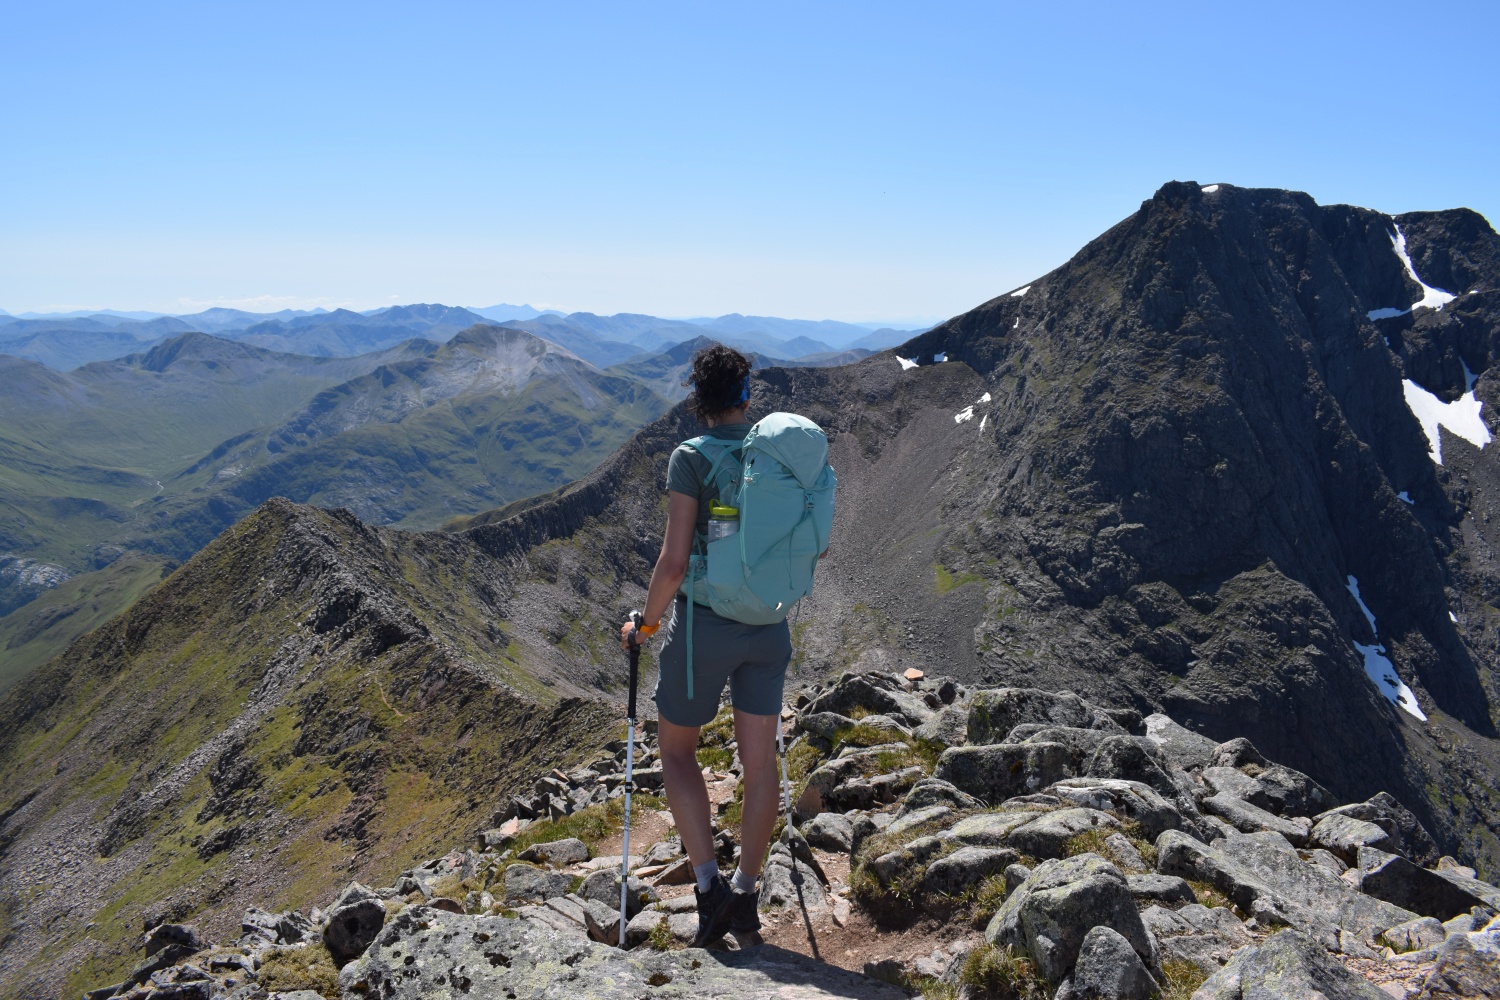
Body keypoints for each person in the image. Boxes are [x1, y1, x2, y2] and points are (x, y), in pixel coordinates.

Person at [619, 344, 790, 947]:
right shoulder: (775, 453)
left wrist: (644, 626)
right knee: (759, 762)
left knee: (677, 752)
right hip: (769, 626)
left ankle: (708, 886)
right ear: (747, 395)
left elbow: (671, 563)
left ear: (699, 398)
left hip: (703, 627)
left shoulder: (690, 458)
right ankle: (746, 893)